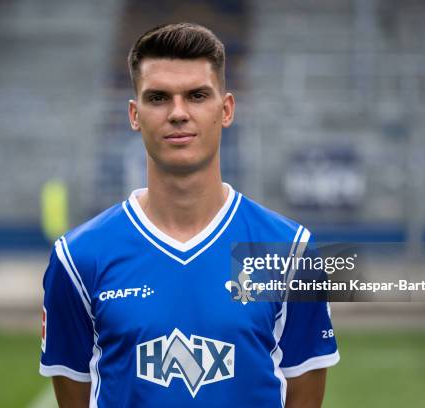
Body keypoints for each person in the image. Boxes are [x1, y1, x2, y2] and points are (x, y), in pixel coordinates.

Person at [39, 22, 339, 408]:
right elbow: (73, 396)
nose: (178, 113)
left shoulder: (290, 251)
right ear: (135, 114)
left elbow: (305, 395)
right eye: (159, 97)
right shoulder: (78, 258)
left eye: (197, 95)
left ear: (226, 109)